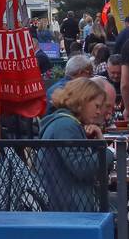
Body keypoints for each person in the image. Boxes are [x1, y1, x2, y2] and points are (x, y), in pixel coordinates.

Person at [36, 78, 108, 212]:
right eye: (97, 106)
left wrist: (98, 141)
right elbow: (82, 168)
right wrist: (108, 151)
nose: (99, 112)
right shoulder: (66, 125)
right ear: (82, 101)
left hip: (65, 201)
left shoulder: (65, 123)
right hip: (69, 206)